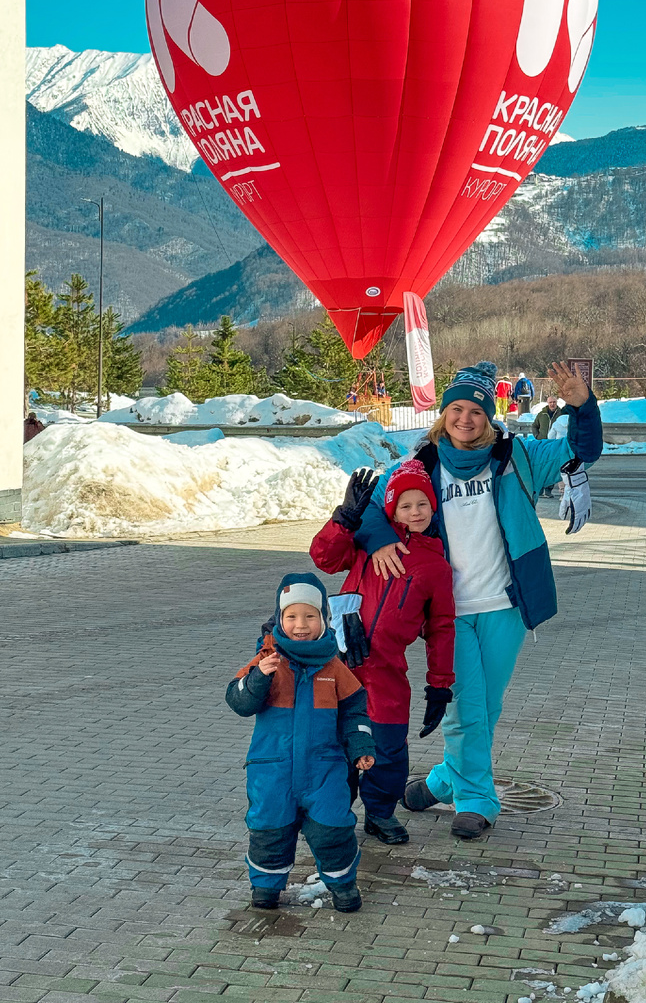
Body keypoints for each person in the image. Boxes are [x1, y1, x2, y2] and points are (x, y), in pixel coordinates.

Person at [353, 360, 602, 839]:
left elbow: (582, 450)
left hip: (506, 605)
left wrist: (582, 406)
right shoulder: (418, 466)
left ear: (490, 417)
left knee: (485, 708)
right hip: (447, 612)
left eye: (476, 412)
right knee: (463, 708)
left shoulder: (518, 458)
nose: (465, 419)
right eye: (456, 409)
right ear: (443, 413)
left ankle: (444, 779)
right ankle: (477, 800)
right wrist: (382, 538)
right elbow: (370, 510)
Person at [309, 461, 455, 846]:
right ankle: (332, 815)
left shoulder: (435, 565)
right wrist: (344, 520)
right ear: (391, 509)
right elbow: (323, 557)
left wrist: (440, 685)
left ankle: (379, 813)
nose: (415, 513)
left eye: (422, 504)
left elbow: (440, 627)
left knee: (387, 747)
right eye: (405, 506)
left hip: (386, 670)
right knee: (335, 745)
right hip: (341, 664)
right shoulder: (366, 542)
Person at [225, 573, 376, 912]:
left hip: (324, 768)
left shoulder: (334, 667)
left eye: (310, 616)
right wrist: (258, 678)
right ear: (279, 620)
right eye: (292, 616)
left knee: (333, 830)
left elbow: (355, 711)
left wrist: (361, 747)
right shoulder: (266, 661)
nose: (301, 625)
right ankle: (265, 888)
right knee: (269, 830)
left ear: (324, 619)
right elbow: (238, 703)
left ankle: (343, 886)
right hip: (271, 768)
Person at [532, 396, 565, 497]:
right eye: (550, 402)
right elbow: (534, 426)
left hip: (554, 445)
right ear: (547, 403)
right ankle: (540, 490)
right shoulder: (542, 414)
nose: (552, 404)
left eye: (554, 402)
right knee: (541, 467)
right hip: (543, 444)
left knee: (552, 468)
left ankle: (548, 490)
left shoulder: (561, 414)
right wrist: (537, 436)